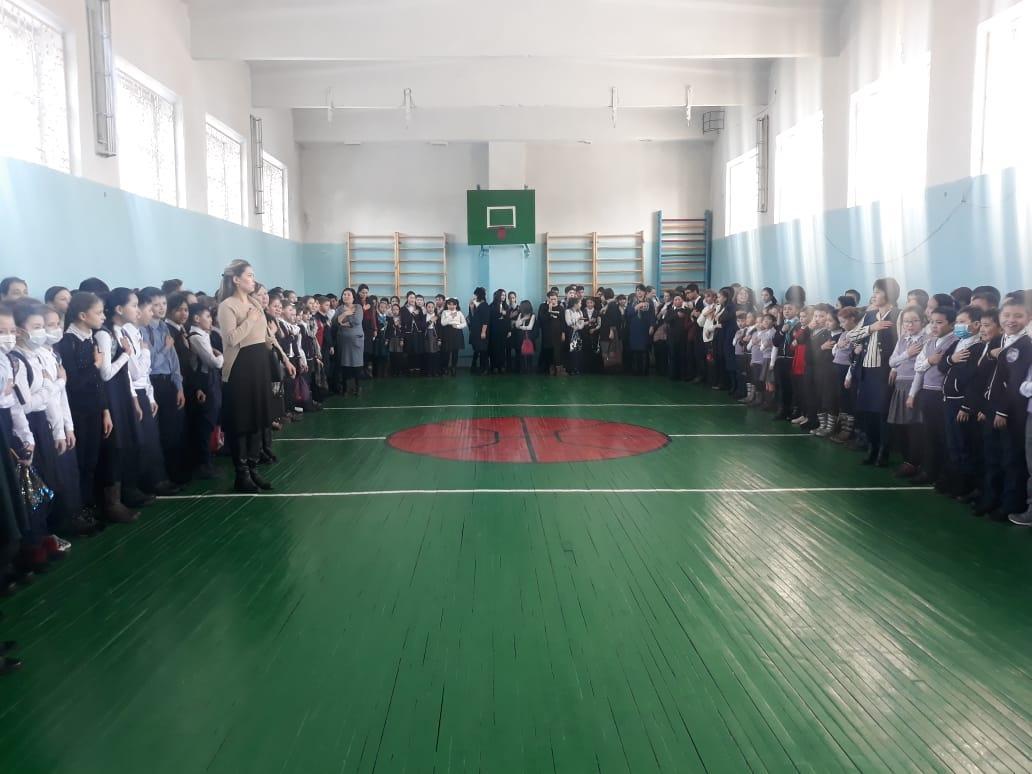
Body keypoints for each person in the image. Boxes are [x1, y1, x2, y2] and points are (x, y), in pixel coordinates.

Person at [216, 260, 274, 494]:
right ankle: (241, 474)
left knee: (257, 420)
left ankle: (253, 468)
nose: (253, 279)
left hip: (259, 364)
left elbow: (264, 334)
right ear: (236, 279)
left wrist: (275, 346)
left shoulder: (254, 302)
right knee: (242, 421)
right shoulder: (227, 306)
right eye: (249, 275)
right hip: (240, 368)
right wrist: (250, 320)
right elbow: (231, 339)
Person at [851, 278, 901, 466]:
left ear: (889, 294)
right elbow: (852, 335)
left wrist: (895, 367)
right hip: (866, 370)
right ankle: (872, 447)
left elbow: (901, 343)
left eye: (878, 292)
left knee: (882, 413)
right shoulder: (870, 316)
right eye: (874, 291)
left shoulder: (897, 315)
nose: (874, 295)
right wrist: (871, 328)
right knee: (868, 413)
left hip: (884, 371)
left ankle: (883, 451)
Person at [334, 288, 365, 394]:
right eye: (344, 294)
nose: (346, 296)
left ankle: (358, 386)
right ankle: (345, 388)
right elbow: (335, 322)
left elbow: (357, 321)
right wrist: (346, 313)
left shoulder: (358, 307)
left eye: (348, 294)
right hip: (343, 340)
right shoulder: (339, 308)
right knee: (345, 364)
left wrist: (343, 322)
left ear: (353, 297)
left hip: (357, 340)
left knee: (357, 364)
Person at [439, 298, 467, 376]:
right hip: (447, 332)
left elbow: (464, 323)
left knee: (455, 352)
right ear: (447, 305)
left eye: (453, 304)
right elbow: (443, 323)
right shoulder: (444, 312)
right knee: (446, 352)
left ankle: (453, 368)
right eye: (449, 304)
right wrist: (451, 316)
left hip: (457, 332)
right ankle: (445, 368)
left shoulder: (459, 312)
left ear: (456, 305)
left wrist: (457, 326)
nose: (451, 306)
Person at [468, 288, 490, 375]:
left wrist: (483, 332)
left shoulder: (484, 305)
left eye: (475, 294)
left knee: (483, 350)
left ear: (478, 295)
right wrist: (471, 308)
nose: (474, 296)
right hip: (475, 331)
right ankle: (477, 368)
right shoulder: (475, 304)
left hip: (481, 331)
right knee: (477, 349)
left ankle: (485, 368)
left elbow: (485, 320)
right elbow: (473, 317)